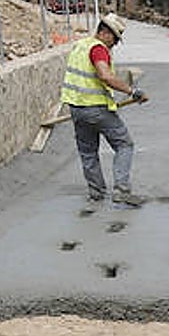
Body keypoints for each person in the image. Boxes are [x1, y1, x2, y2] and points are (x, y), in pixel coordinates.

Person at [60, 13, 148, 207]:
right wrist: (132, 91)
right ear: (105, 32)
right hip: (96, 109)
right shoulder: (98, 49)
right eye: (115, 38)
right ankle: (121, 190)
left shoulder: (80, 46)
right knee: (124, 145)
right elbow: (105, 76)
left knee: (88, 151)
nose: (115, 44)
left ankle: (96, 192)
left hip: (77, 108)